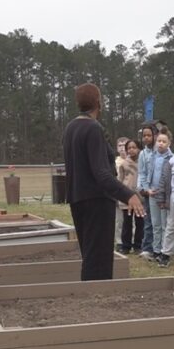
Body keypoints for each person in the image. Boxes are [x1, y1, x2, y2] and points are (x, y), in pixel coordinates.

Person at [62, 83, 145, 280]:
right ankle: (95, 300)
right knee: (98, 260)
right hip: (96, 201)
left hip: (78, 199)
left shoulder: (70, 128)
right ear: (99, 102)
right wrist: (129, 195)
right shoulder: (93, 128)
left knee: (90, 256)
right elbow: (101, 173)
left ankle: (91, 298)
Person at [147, 130, 174, 266]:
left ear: (169, 143)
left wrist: (166, 195)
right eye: (159, 141)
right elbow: (146, 174)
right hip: (153, 194)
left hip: (165, 196)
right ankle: (156, 250)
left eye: (164, 141)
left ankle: (165, 251)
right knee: (155, 224)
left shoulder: (172, 159)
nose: (161, 143)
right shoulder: (151, 157)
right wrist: (147, 189)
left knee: (166, 225)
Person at [117, 139, 144, 254]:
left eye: (134, 147)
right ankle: (126, 246)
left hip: (140, 197)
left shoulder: (143, 162)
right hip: (126, 197)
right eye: (129, 148)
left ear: (138, 149)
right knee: (127, 223)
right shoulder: (123, 164)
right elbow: (120, 179)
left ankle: (138, 245)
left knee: (140, 222)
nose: (131, 150)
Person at [136, 123, 157, 260]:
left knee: (162, 222)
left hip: (160, 192)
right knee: (148, 220)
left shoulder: (160, 151)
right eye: (144, 136)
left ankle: (171, 247)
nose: (146, 138)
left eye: (149, 135)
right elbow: (142, 173)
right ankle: (147, 248)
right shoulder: (143, 154)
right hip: (148, 192)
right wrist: (143, 189)